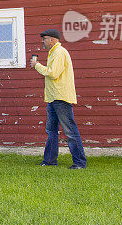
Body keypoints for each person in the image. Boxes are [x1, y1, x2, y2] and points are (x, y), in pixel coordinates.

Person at [30, 28, 87, 169]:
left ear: (52, 40)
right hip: (53, 98)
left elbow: (53, 73)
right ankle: (49, 161)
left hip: (60, 97)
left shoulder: (59, 53)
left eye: (44, 39)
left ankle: (80, 163)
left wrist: (36, 65)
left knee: (70, 131)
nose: (42, 41)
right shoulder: (54, 52)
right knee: (51, 130)